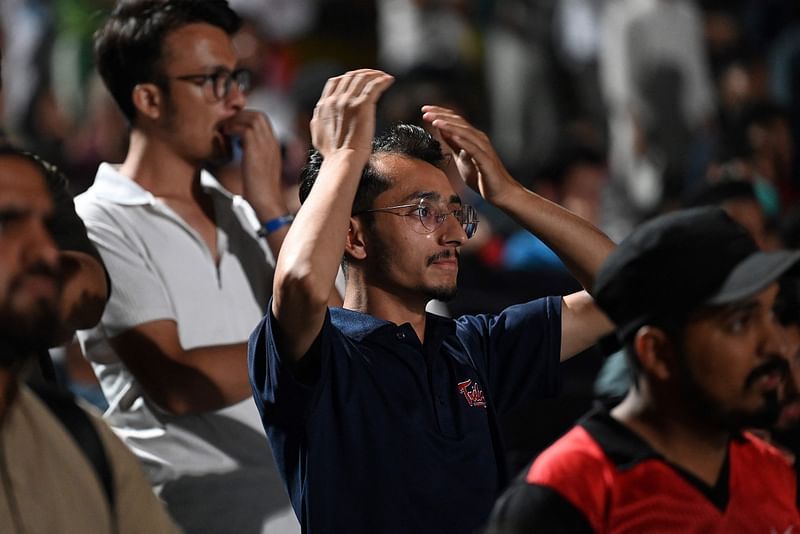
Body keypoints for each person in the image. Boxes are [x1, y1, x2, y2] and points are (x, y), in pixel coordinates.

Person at [248, 68, 616, 533]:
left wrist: (509, 194)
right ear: (353, 237)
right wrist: (344, 155)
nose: (454, 234)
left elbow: (623, 289)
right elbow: (300, 281)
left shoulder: (473, 347)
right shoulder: (320, 354)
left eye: (455, 212)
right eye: (424, 212)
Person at [75, 1, 298, 531]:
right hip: (188, 518)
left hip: (299, 511)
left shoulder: (250, 217)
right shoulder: (98, 219)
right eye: (214, 81)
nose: (238, 100)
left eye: (238, 78)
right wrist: (306, 341)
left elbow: (346, 338)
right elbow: (179, 382)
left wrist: (271, 213)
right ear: (149, 98)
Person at [487, 207, 800, 532]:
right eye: (739, 323)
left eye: (772, 315)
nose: (777, 346)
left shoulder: (772, 469)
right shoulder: (564, 496)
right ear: (657, 352)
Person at [0, 146, 179, 533]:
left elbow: (88, 290)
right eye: (7, 223)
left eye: (48, 226)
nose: (47, 253)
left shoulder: (84, 444)